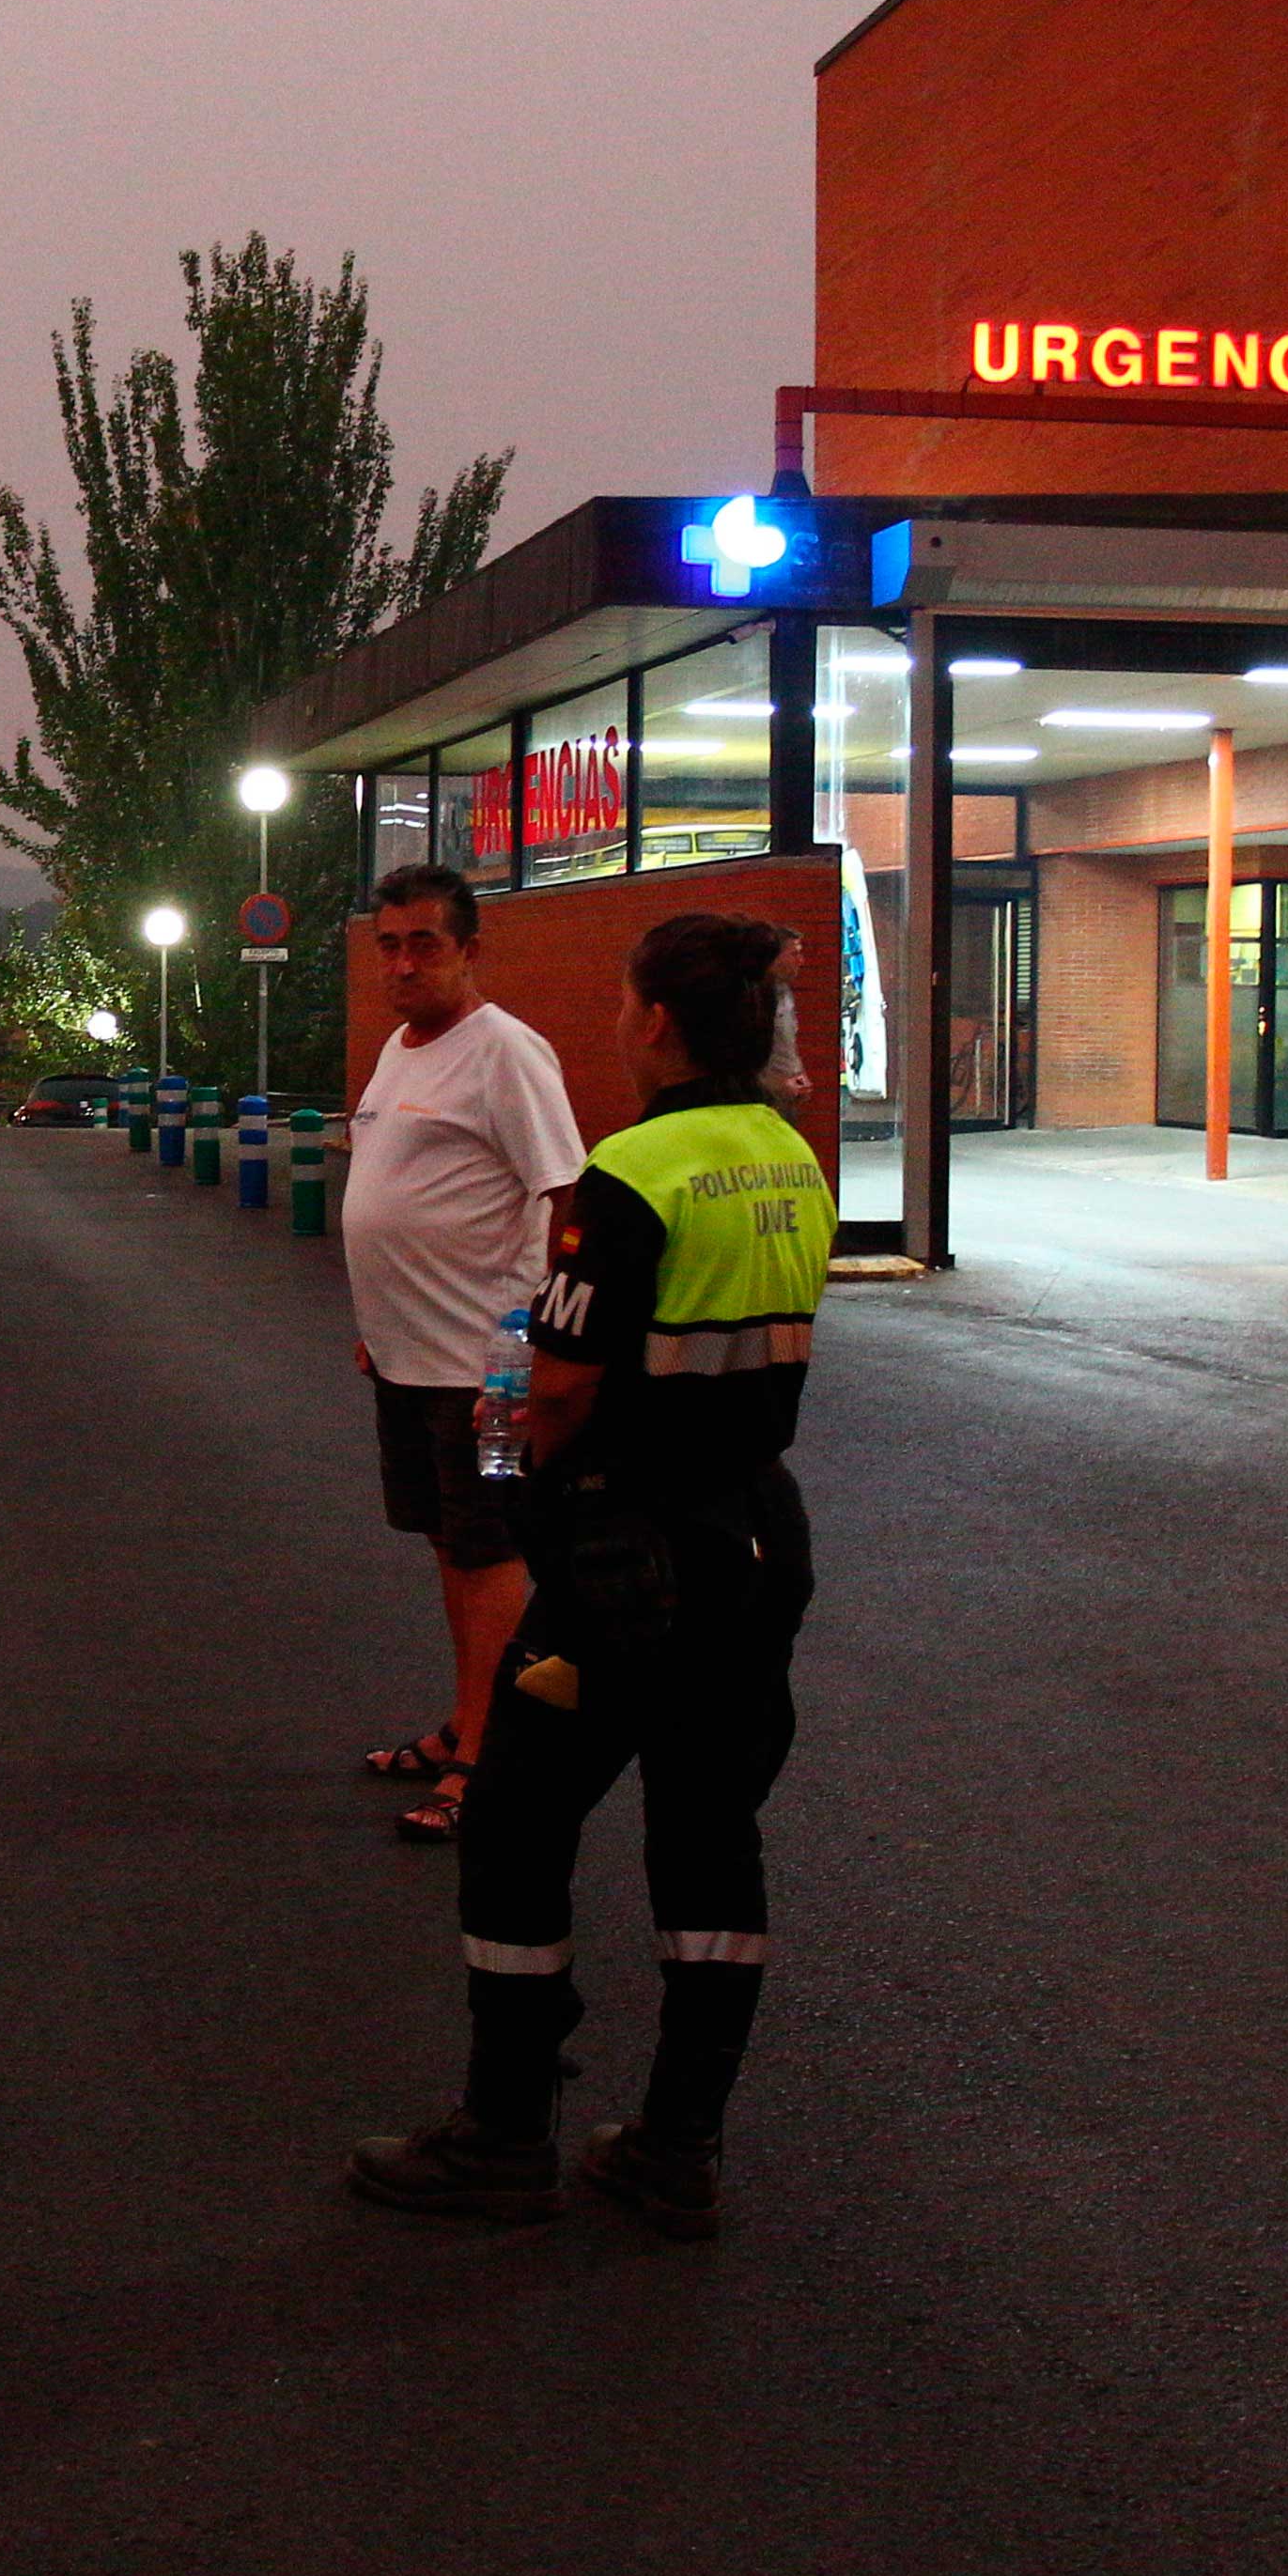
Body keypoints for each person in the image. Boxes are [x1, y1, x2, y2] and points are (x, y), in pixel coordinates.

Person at [350, 909, 830, 2238]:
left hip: (628, 1556)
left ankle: (503, 2131)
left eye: (624, 1004)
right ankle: (677, 2142)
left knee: (511, 1825)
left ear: (657, 1023)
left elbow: (555, 1384)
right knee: (706, 1837)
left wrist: (509, 1477)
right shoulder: (785, 1157)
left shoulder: (633, 1172)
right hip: (753, 1538)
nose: (617, 1023)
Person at [335, 862, 584, 1843]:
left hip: (491, 1366)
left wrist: (529, 1343)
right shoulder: (402, 1047)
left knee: (491, 1551)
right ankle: (465, 1720)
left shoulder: (506, 1052)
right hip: (408, 1360)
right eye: (389, 944)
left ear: (470, 949)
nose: (402, 962)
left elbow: (564, 1196)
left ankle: (486, 1752)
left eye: (424, 943)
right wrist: (379, 1323)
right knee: (451, 1541)